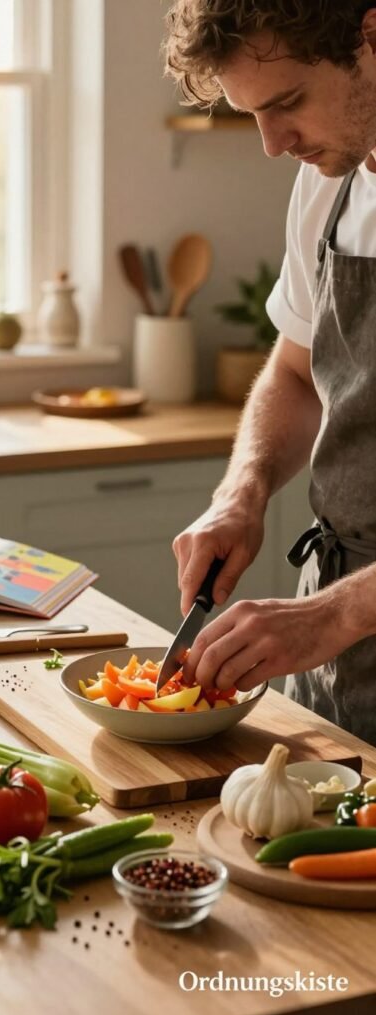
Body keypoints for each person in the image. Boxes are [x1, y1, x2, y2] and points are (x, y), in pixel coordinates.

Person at [164, 1, 376, 743]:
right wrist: (240, 493)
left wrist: (336, 613)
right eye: (250, 113)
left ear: (371, 37)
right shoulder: (329, 185)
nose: (271, 143)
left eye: (286, 103)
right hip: (339, 655)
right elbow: (293, 372)